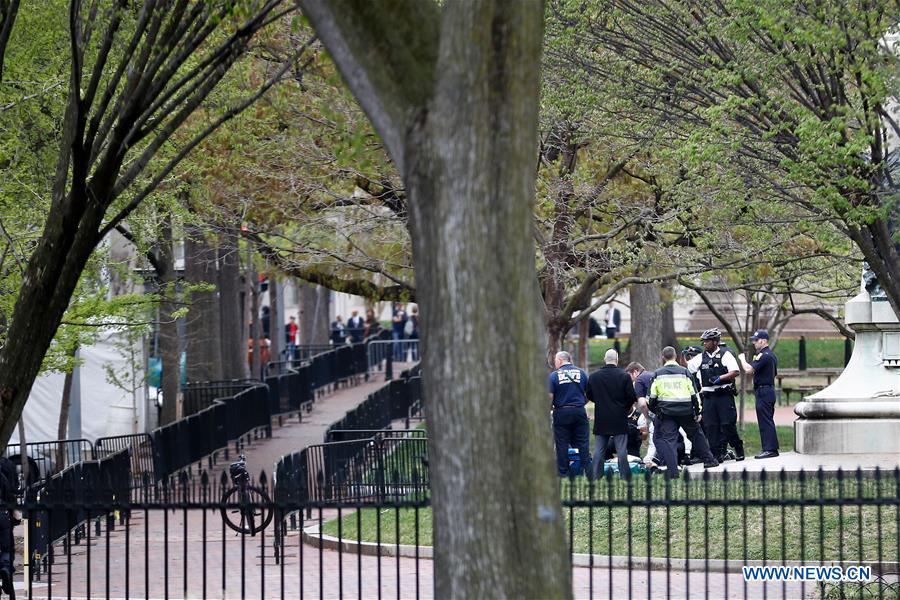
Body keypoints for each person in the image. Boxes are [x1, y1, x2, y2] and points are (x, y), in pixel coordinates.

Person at [648, 346, 719, 478]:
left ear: (663, 358)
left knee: (669, 441)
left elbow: (651, 398)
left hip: (667, 412)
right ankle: (709, 460)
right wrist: (697, 411)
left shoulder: (658, 374)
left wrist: (657, 410)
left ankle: (673, 472)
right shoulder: (685, 372)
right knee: (696, 434)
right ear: (675, 356)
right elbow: (694, 394)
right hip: (686, 411)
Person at [687, 328, 745, 462]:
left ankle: (738, 447)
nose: (704, 344)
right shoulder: (701, 357)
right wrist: (683, 356)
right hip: (708, 397)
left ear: (715, 342)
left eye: (706, 341)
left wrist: (721, 378)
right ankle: (716, 454)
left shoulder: (725, 354)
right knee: (711, 426)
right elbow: (688, 368)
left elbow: (735, 371)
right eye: (704, 342)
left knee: (727, 424)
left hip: (724, 396)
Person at [586, 349, 636, 479]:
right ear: (617, 359)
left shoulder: (594, 376)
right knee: (621, 451)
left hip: (602, 417)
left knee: (598, 451)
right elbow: (631, 397)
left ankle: (596, 476)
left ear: (604, 359)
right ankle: (625, 476)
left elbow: (589, 395)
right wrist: (623, 408)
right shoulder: (624, 376)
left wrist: (601, 402)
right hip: (619, 417)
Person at [548, 351, 592, 479]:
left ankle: (563, 474)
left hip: (561, 412)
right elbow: (589, 393)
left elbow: (549, 396)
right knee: (583, 443)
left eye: (556, 360)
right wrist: (581, 403)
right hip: (579, 411)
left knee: (561, 443)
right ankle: (587, 472)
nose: (555, 363)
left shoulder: (553, 376)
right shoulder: (582, 373)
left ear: (560, 360)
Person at [739, 329, 780, 459]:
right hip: (766, 390)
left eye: (756, 340)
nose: (754, 343)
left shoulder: (764, 355)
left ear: (763, 340)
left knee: (765, 421)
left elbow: (748, 370)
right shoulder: (771, 355)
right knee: (766, 420)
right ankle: (769, 448)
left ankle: (770, 449)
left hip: (764, 390)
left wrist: (741, 359)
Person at [0, 456, 16, 596]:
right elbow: (11, 492)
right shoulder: (7, 466)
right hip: (3, 514)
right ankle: (5, 567)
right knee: (7, 548)